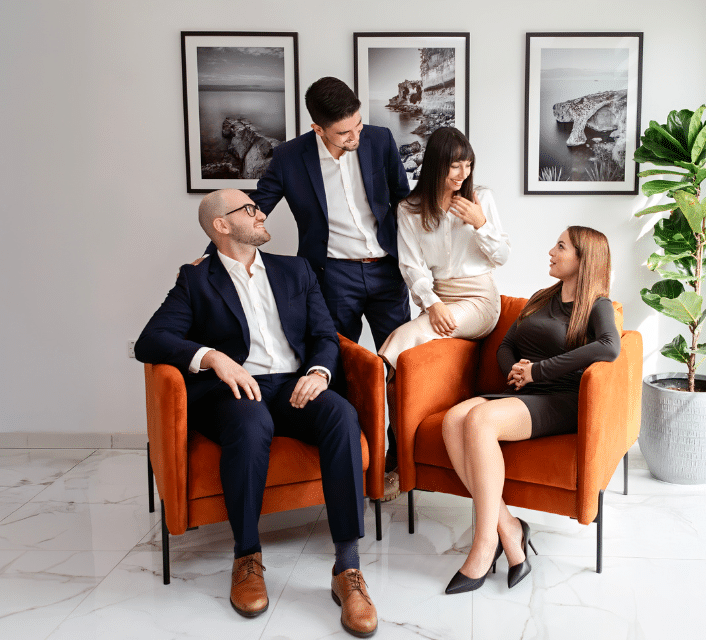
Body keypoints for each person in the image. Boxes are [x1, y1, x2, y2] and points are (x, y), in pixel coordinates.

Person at [136, 189, 377, 636]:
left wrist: (321, 372)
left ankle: (347, 570)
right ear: (221, 226)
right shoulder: (196, 280)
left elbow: (326, 334)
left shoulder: (295, 270)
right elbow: (149, 340)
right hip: (234, 392)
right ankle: (247, 558)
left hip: (294, 385)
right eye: (248, 209)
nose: (261, 212)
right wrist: (211, 357)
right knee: (251, 424)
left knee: (342, 416)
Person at [249, 76, 412, 499]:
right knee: (336, 367)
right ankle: (349, 459)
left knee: (398, 368)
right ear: (317, 129)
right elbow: (253, 211)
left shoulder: (379, 140)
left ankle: (396, 459)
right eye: (344, 131)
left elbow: (402, 199)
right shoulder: (289, 158)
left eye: (358, 124)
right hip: (331, 276)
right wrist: (213, 252)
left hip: (387, 271)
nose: (355, 135)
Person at [439, 226, 620, 595]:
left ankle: (485, 543)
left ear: (583, 259)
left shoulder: (598, 305)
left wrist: (539, 370)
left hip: (560, 398)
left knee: (479, 420)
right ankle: (509, 528)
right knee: (452, 419)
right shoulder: (541, 297)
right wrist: (516, 372)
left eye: (561, 246)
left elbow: (609, 347)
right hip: (522, 391)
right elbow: (506, 343)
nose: (551, 251)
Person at [377, 127, 510, 470]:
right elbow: (411, 265)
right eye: (455, 166)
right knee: (416, 335)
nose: (463, 174)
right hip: (439, 299)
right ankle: (390, 432)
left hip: (480, 301)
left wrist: (481, 224)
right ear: (436, 164)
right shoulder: (410, 209)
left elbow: (501, 257)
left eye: (468, 165)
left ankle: (375, 372)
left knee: (413, 333)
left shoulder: (481, 199)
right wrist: (431, 302)